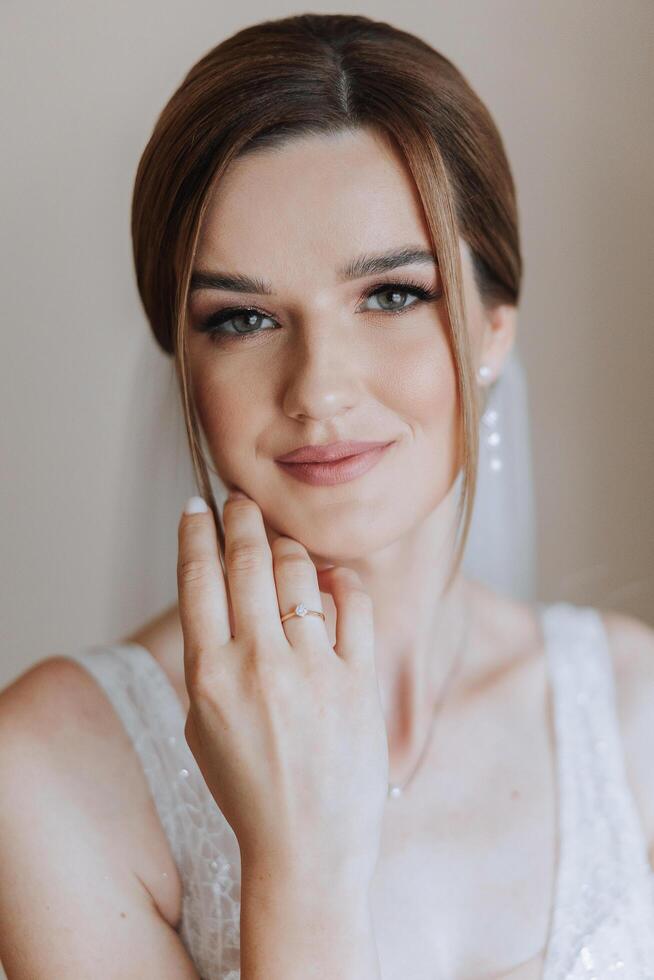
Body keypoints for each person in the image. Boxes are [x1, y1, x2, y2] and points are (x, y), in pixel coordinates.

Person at [0, 12, 653, 980]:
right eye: (244, 316)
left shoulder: (639, 716)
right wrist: (298, 869)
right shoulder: (48, 770)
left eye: (391, 293)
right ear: (183, 364)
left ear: (493, 329)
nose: (319, 389)